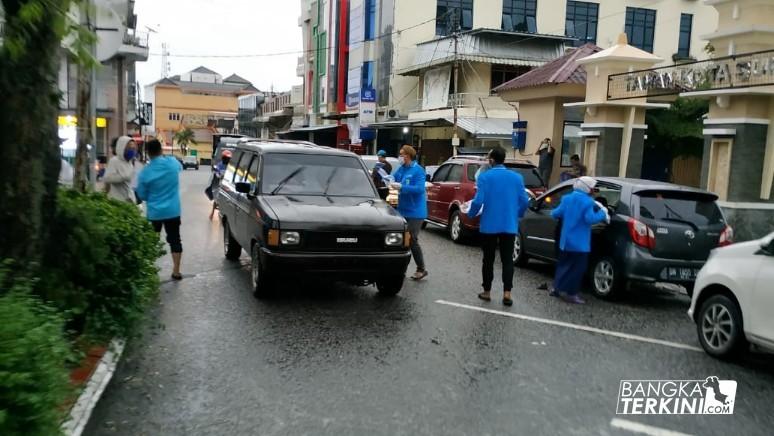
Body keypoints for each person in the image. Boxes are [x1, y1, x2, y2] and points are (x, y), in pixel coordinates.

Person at [467, 147, 530, 306]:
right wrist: (517, 214)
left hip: (489, 224)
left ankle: (487, 291)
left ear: (492, 160)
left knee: (488, 259)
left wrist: (471, 213)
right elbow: (524, 201)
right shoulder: (517, 177)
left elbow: (478, 201)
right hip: (509, 224)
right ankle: (507, 293)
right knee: (507, 259)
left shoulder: (485, 177)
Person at [549, 176, 609, 304]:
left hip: (565, 241)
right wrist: (603, 213)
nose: (593, 190)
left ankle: (556, 288)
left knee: (563, 265)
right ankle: (571, 294)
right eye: (592, 188)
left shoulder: (566, 199)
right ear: (587, 188)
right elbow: (590, 219)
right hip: (579, 243)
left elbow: (555, 213)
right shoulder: (588, 202)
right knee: (577, 269)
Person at [136, 139, 184, 281]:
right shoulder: (172, 163)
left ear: (148, 153)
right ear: (161, 150)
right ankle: (176, 270)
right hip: (172, 210)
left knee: (152, 241)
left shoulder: (145, 172)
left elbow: (142, 195)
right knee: (175, 239)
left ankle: (149, 270)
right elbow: (180, 168)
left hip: (155, 212)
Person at [391, 145, 428, 281]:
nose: (400, 156)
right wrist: (388, 179)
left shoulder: (418, 170)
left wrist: (402, 187)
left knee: (411, 239)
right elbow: (394, 177)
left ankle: (421, 269)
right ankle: (401, 268)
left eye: (402, 154)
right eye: (400, 154)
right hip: (402, 209)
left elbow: (419, 189)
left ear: (408, 155)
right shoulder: (402, 168)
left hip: (416, 211)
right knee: (402, 240)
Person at [102, 136, 137, 203]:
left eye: (133, 148)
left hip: (129, 200)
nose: (132, 150)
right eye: (129, 148)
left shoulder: (130, 163)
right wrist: (123, 177)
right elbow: (107, 178)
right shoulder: (114, 161)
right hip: (117, 200)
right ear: (122, 147)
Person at [209, 149, 232, 220]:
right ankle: (212, 213)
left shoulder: (231, 166)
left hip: (229, 186)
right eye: (226, 158)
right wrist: (220, 175)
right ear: (223, 158)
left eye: (228, 158)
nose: (227, 160)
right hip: (221, 184)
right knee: (217, 199)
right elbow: (217, 173)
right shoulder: (219, 165)